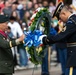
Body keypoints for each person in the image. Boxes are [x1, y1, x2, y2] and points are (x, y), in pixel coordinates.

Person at [38, 2, 76, 75]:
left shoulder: (72, 22)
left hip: (73, 56)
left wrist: (44, 40)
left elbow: (60, 36)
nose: (60, 21)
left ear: (63, 13)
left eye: (60, 18)